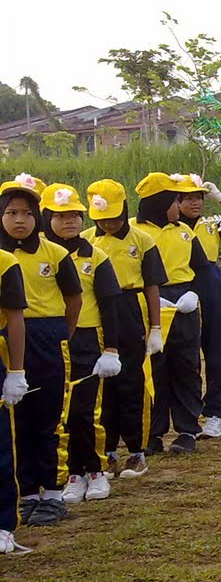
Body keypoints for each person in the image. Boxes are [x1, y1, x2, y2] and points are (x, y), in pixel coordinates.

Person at [0, 175, 81, 526]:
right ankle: (26, 492)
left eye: (27, 213)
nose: (20, 220)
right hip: (8, 339)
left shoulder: (56, 253)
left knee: (48, 416)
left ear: (38, 217)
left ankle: (52, 491)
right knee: (17, 421)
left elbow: (74, 298)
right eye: (12, 213)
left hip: (47, 336)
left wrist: (64, 332)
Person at [42, 185, 127, 504]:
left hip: (87, 340)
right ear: (47, 217)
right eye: (62, 216)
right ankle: (67, 475)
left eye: (76, 215)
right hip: (48, 338)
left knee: (83, 410)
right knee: (55, 413)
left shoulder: (96, 256)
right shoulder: (40, 253)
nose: (70, 221)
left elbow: (109, 305)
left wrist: (111, 349)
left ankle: (92, 470)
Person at [87, 179, 166, 479]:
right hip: (97, 312)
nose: (108, 224)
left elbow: (152, 285)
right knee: (103, 387)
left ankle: (137, 451)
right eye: (101, 220)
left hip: (131, 309)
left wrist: (155, 327)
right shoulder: (86, 242)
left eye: (114, 218)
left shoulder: (142, 239)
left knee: (131, 382)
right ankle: (106, 452)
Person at [172, 174, 221, 438]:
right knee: (186, 353)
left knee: (218, 348)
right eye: (189, 199)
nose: (196, 204)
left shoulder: (210, 224)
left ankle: (217, 413)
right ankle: (189, 415)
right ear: (177, 202)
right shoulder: (170, 226)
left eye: (199, 198)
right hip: (182, 283)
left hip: (211, 283)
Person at [133, 173, 205, 455]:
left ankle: (187, 430)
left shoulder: (185, 233)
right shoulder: (136, 233)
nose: (180, 206)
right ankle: (153, 432)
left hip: (183, 303)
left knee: (186, 365)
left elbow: (201, 269)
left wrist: (193, 294)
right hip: (151, 303)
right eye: (175, 200)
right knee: (154, 370)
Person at [0, 244, 29, 552]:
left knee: (0, 449)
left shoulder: (4, 262)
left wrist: (16, 371)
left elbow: (15, 317)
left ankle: (4, 522)